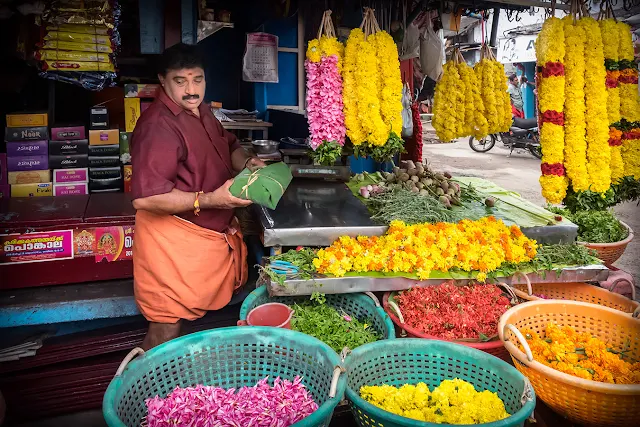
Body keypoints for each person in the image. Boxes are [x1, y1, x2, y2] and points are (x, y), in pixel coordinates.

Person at [130, 43, 266, 349]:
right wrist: (211, 200)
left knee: (188, 330)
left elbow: (230, 145)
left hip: (204, 244)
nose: (192, 90)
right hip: (170, 245)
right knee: (166, 326)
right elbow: (146, 198)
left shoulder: (201, 112)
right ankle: (144, 390)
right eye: (181, 81)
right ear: (162, 81)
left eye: (198, 79)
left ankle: (181, 386)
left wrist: (246, 161)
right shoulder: (157, 126)